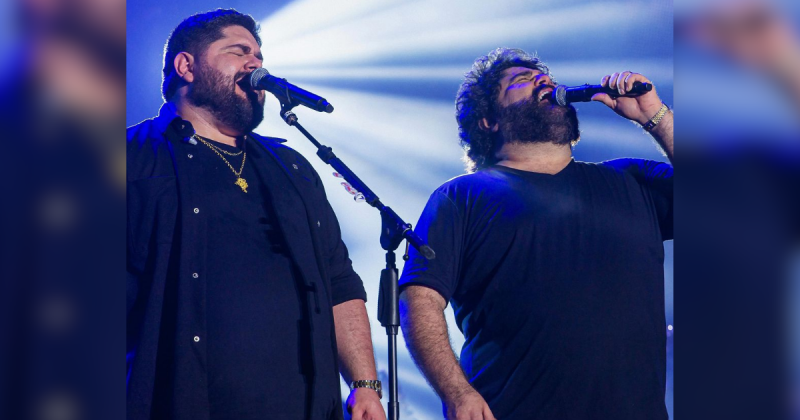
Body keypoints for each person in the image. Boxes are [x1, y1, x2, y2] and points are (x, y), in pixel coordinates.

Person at [126, 9, 385, 420]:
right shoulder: (130, 161)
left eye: (260, 57)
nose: (255, 64)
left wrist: (365, 385)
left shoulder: (292, 167)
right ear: (186, 66)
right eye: (239, 51)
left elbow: (339, 282)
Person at [398, 47, 673, 419]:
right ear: (488, 121)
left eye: (545, 77)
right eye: (521, 81)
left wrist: (655, 117)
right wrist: (458, 393)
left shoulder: (631, 180)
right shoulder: (461, 198)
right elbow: (419, 299)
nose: (544, 81)